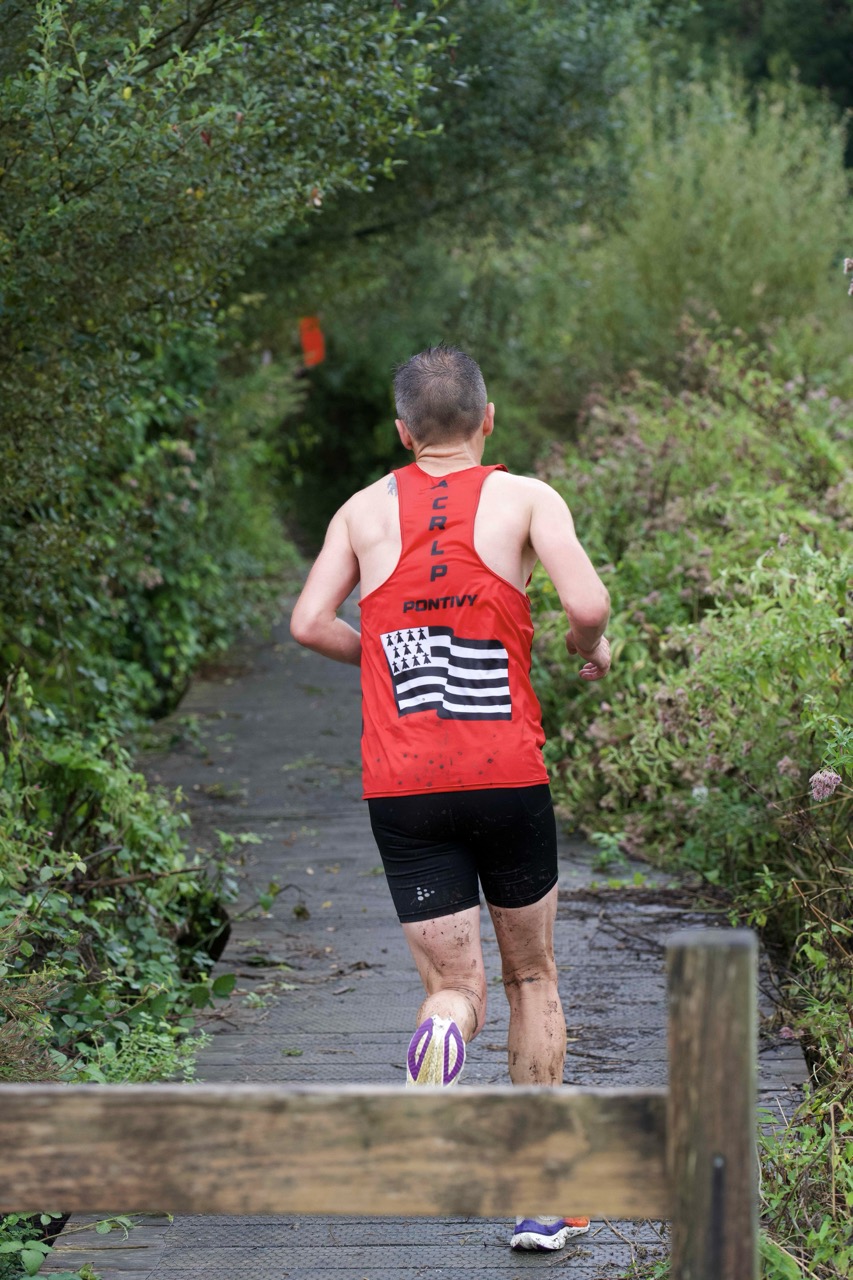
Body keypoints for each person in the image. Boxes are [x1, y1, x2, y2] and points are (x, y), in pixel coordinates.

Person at [290, 344, 611, 1253]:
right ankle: (540, 1203)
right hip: (505, 774)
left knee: (454, 987)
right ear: (487, 420)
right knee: (530, 976)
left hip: (404, 788)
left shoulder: (360, 511)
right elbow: (587, 605)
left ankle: (441, 1042)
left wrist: (382, 655)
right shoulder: (528, 498)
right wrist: (590, 647)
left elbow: (308, 621)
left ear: (402, 432)